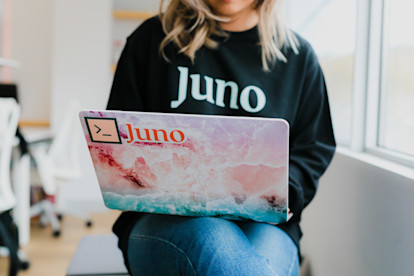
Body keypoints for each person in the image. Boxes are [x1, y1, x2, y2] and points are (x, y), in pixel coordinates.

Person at [107, 0, 336, 275]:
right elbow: (118, 144)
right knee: (217, 245)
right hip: (161, 221)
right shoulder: (152, 41)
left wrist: (279, 194)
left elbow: (312, 150)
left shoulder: (298, 58)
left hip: (267, 226)